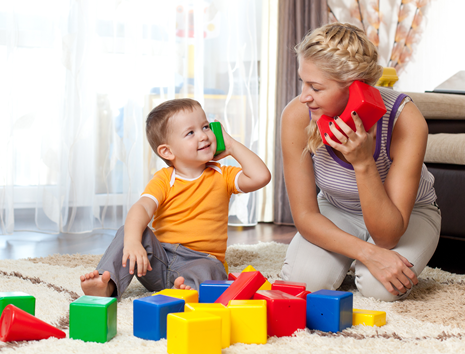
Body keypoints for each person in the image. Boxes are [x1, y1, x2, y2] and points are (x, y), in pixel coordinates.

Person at [279, 22, 441, 302]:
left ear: (356, 88)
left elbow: (388, 237)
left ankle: (357, 264)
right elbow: (305, 216)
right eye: (302, 82)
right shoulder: (296, 115)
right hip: (338, 209)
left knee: (379, 289)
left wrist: (363, 163)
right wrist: (369, 253)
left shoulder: (405, 119)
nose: (304, 96)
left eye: (316, 87)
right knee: (304, 284)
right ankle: (352, 259)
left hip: (410, 214)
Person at [80, 98, 271, 299]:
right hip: (159, 260)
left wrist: (230, 145)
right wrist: (132, 241)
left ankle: (184, 292)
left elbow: (261, 176)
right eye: (191, 132)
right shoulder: (164, 178)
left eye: (206, 127)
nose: (204, 136)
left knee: (212, 270)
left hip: (200, 260)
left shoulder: (223, 175)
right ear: (167, 151)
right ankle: (107, 284)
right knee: (130, 231)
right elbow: (143, 208)